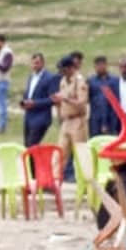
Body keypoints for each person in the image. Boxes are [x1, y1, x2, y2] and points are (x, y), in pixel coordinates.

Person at [51, 55, 88, 183]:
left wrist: (66, 99)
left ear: (71, 68)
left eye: (64, 69)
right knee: (60, 152)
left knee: (80, 153)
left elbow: (82, 103)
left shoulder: (79, 81)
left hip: (78, 120)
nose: (62, 72)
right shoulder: (63, 81)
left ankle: (85, 180)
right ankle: (55, 181)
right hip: (66, 120)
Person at [20, 52, 56, 148]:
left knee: (32, 145)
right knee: (27, 145)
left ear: (43, 63)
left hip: (41, 117)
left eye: (37, 63)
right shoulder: (31, 77)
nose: (35, 65)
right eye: (33, 63)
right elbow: (29, 93)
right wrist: (24, 102)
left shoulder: (50, 78)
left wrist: (34, 103)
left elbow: (52, 99)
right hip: (29, 116)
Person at [87, 56, 120, 137]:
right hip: (96, 117)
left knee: (111, 139)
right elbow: (88, 98)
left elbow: (118, 98)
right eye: (97, 65)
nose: (100, 67)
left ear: (106, 65)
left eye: (102, 65)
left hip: (111, 116)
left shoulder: (115, 80)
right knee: (95, 139)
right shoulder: (91, 81)